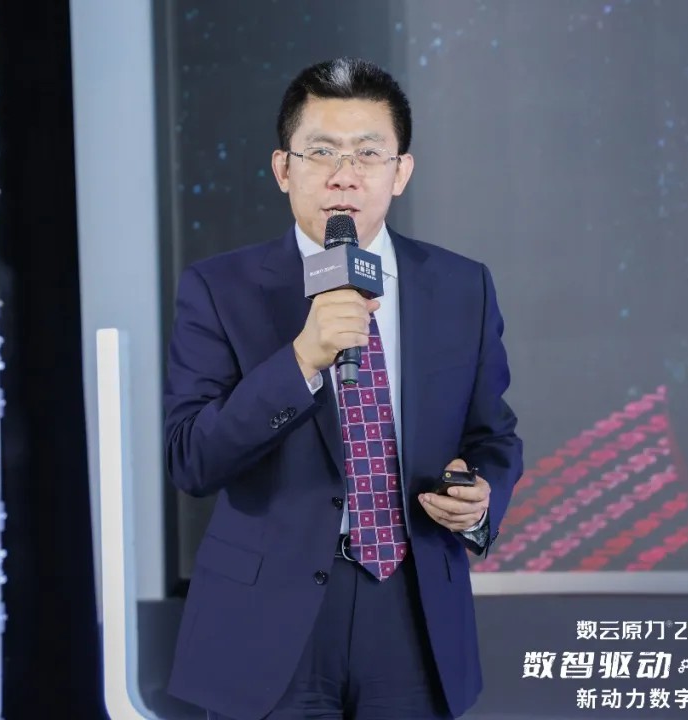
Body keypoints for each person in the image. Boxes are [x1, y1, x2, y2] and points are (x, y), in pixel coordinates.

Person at [163, 57, 524, 720]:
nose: (344, 175)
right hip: (268, 618)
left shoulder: (461, 286)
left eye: (368, 153)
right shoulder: (219, 288)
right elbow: (191, 459)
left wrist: (478, 501)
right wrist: (302, 358)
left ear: (400, 172)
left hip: (413, 608)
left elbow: (493, 436)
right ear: (284, 168)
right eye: (322, 151)